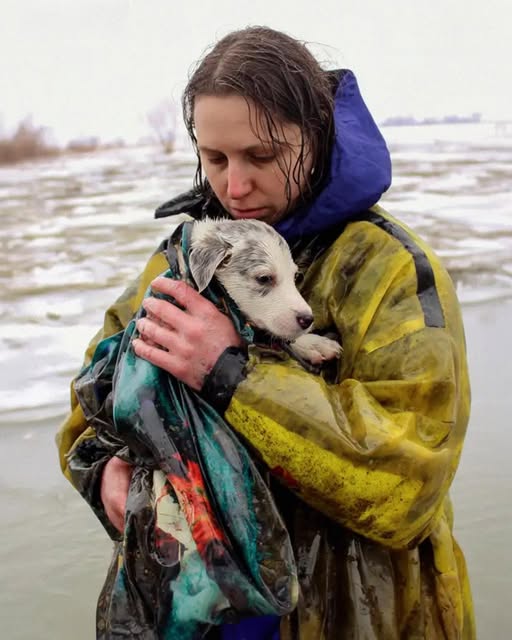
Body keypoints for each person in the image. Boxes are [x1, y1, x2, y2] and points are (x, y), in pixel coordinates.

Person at [56, 25, 475, 640]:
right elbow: (90, 405)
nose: (235, 187)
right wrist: (105, 476)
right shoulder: (187, 257)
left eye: (262, 156)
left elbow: (410, 484)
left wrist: (233, 375)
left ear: (316, 136)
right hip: (199, 607)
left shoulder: (388, 270)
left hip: (355, 612)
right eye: (215, 158)